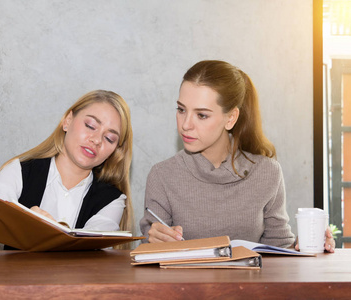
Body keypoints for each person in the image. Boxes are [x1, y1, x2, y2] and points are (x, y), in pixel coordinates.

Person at [140, 60, 335, 252]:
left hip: (251, 284)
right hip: (183, 284)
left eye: (201, 115)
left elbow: (279, 248)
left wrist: (305, 246)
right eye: (181, 110)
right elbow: (147, 257)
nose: (185, 124)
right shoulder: (162, 175)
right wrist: (154, 243)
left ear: (231, 118)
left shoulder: (267, 172)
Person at [0, 90, 133, 251]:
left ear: (114, 152)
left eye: (109, 138)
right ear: (67, 121)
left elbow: (89, 256)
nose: (96, 140)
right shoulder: (18, 172)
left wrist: (42, 229)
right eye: (90, 125)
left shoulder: (112, 200)